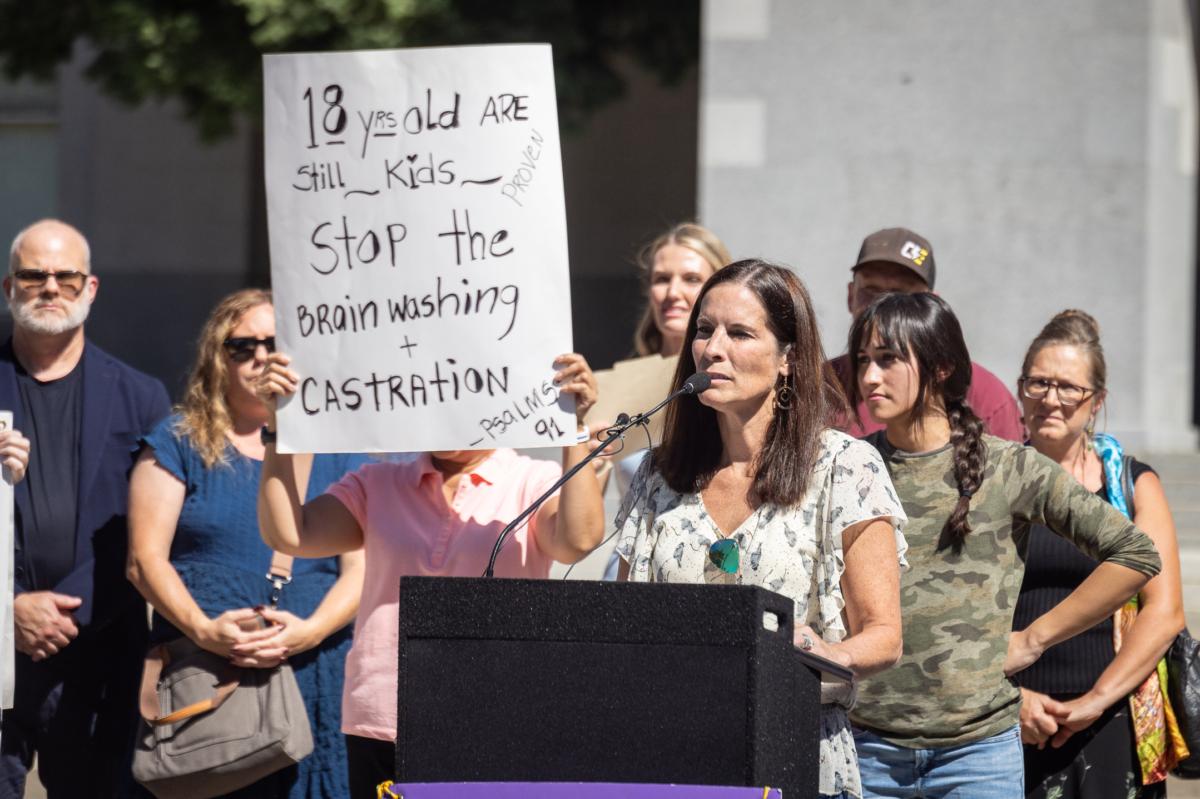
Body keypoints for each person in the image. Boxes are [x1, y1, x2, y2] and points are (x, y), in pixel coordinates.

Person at [845, 293, 1163, 799]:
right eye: (864, 359)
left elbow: (1136, 554)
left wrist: (1034, 638)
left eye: (888, 359)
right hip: (867, 752)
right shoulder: (849, 467)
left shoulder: (1011, 466)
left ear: (942, 366)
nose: (869, 377)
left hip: (978, 758)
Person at [613, 259, 908, 799]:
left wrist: (825, 652)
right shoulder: (658, 475)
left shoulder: (846, 468)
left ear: (789, 359)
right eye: (704, 331)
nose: (713, 348)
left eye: (740, 333)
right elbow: (626, 623)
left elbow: (885, 636)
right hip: (673, 754)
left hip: (796, 751)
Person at [254, 346, 607, 797]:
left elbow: (578, 539)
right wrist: (277, 430)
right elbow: (291, 534)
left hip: (497, 719)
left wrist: (571, 427)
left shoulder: (531, 480)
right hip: (382, 719)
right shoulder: (376, 483)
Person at [126, 289, 368, 798]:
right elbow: (144, 562)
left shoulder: (341, 446)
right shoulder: (177, 441)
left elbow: (361, 570)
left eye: (276, 344)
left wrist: (308, 632)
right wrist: (205, 629)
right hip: (211, 678)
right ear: (218, 357)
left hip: (313, 673)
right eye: (243, 347)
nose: (262, 356)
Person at [0, 219, 170, 798]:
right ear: (9, 288)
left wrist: (60, 615)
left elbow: (143, 529)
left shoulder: (141, 396)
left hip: (96, 654)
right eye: (34, 276)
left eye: (66, 277)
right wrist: (9, 609)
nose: (50, 288)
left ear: (90, 288)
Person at [1012, 310, 1186, 797]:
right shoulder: (992, 481)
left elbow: (1165, 611)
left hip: (1112, 721)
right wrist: (1013, 699)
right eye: (1038, 383)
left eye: (1069, 388)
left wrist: (1094, 701)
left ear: (1096, 402)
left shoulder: (1130, 484)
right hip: (1009, 721)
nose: (1051, 399)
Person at [829, 227, 1025, 441]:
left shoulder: (986, 396)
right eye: (870, 291)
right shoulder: (816, 386)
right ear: (850, 296)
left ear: (930, 307)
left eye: (901, 294)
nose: (882, 304)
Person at [632, 222, 732, 358]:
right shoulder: (626, 377)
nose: (672, 293)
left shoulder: (732, 375)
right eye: (662, 279)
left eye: (692, 279)